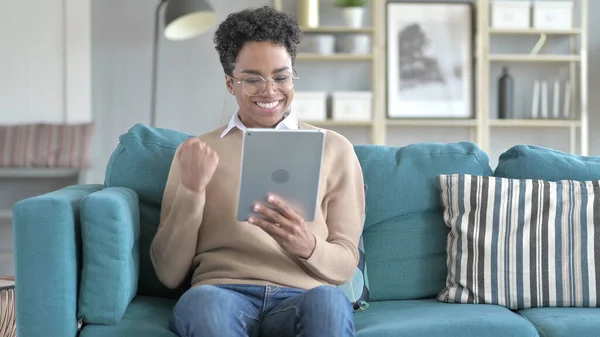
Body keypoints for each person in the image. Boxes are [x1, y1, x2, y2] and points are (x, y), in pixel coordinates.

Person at [150, 5, 366, 337]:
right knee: (205, 304)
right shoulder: (196, 153)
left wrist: (307, 244)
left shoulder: (334, 149)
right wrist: (192, 192)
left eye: (281, 76)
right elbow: (168, 272)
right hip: (221, 292)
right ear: (229, 83)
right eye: (253, 79)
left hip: (304, 294)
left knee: (329, 304)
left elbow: (345, 262)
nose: (269, 90)